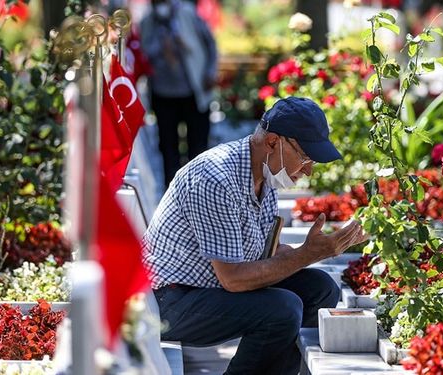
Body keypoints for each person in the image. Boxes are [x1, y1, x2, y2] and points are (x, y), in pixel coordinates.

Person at [142, 97, 368, 375]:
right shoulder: (215, 178)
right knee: (282, 310)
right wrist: (308, 254)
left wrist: (320, 247)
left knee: (320, 289)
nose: (309, 170)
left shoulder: (265, 173)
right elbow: (234, 279)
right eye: (306, 157)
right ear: (273, 142)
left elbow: (264, 255)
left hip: (208, 289)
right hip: (167, 301)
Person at [140, 0, 217, 189]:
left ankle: (199, 192)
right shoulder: (147, 21)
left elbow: (210, 45)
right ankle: (173, 194)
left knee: (198, 147)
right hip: (163, 95)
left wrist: (209, 73)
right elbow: (143, 54)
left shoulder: (188, 13)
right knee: (168, 149)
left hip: (193, 93)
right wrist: (161, 46)